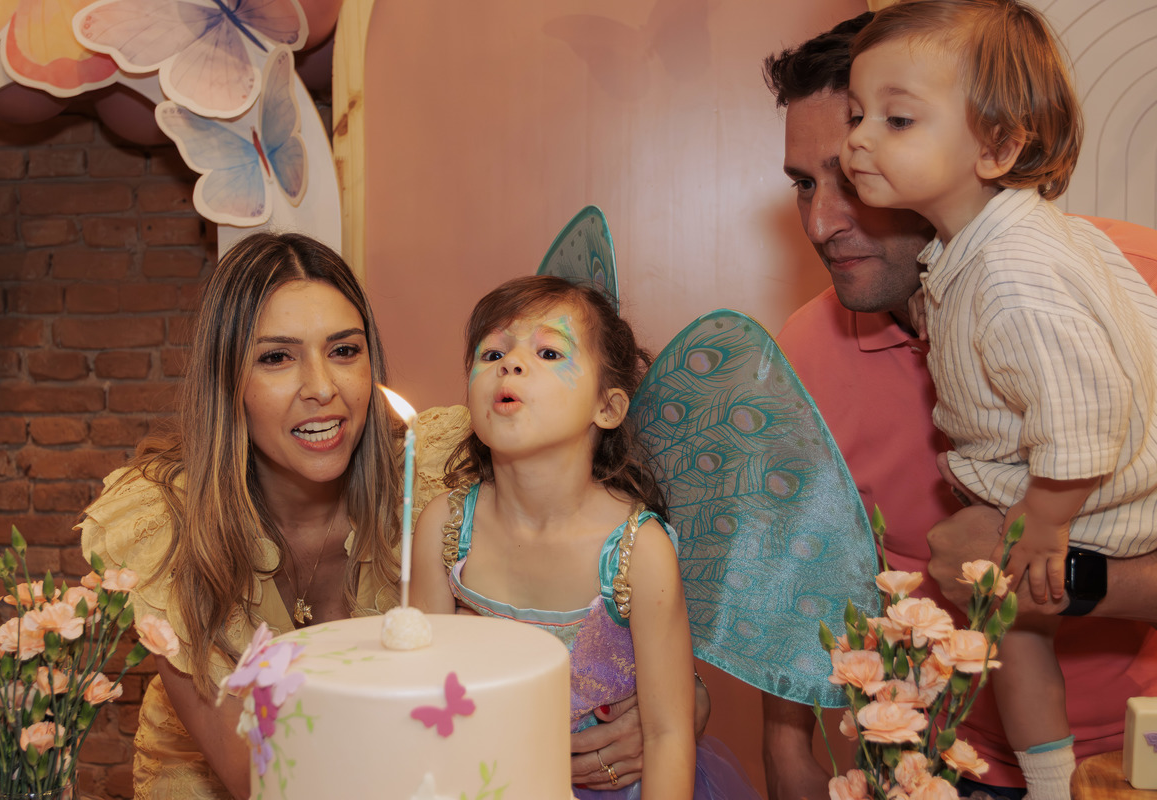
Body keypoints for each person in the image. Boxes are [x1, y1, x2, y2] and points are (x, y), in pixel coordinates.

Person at [76, 234, 629, 800]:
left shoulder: (435, 475)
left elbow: (584, 559)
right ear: (227, 381)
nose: (322, 389)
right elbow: (262, 780)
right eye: (276, 357)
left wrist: (645, 710)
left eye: (344, 351)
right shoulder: (165, 524)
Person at [763, 12, 1157, 800]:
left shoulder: (1123, 276)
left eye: (853, 176)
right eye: (806, 183)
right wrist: (787, 742)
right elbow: (798, 565)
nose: (822, 223)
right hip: (934, 764)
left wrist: (1048, 571)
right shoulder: (803, 353)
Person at [411, 275, 757, 799]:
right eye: (492, 353)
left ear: (608, 408)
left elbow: (667, 734)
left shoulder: (639, 550)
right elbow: (422, 692)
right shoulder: (444, 526)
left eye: (548, 352)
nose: (510, 364)